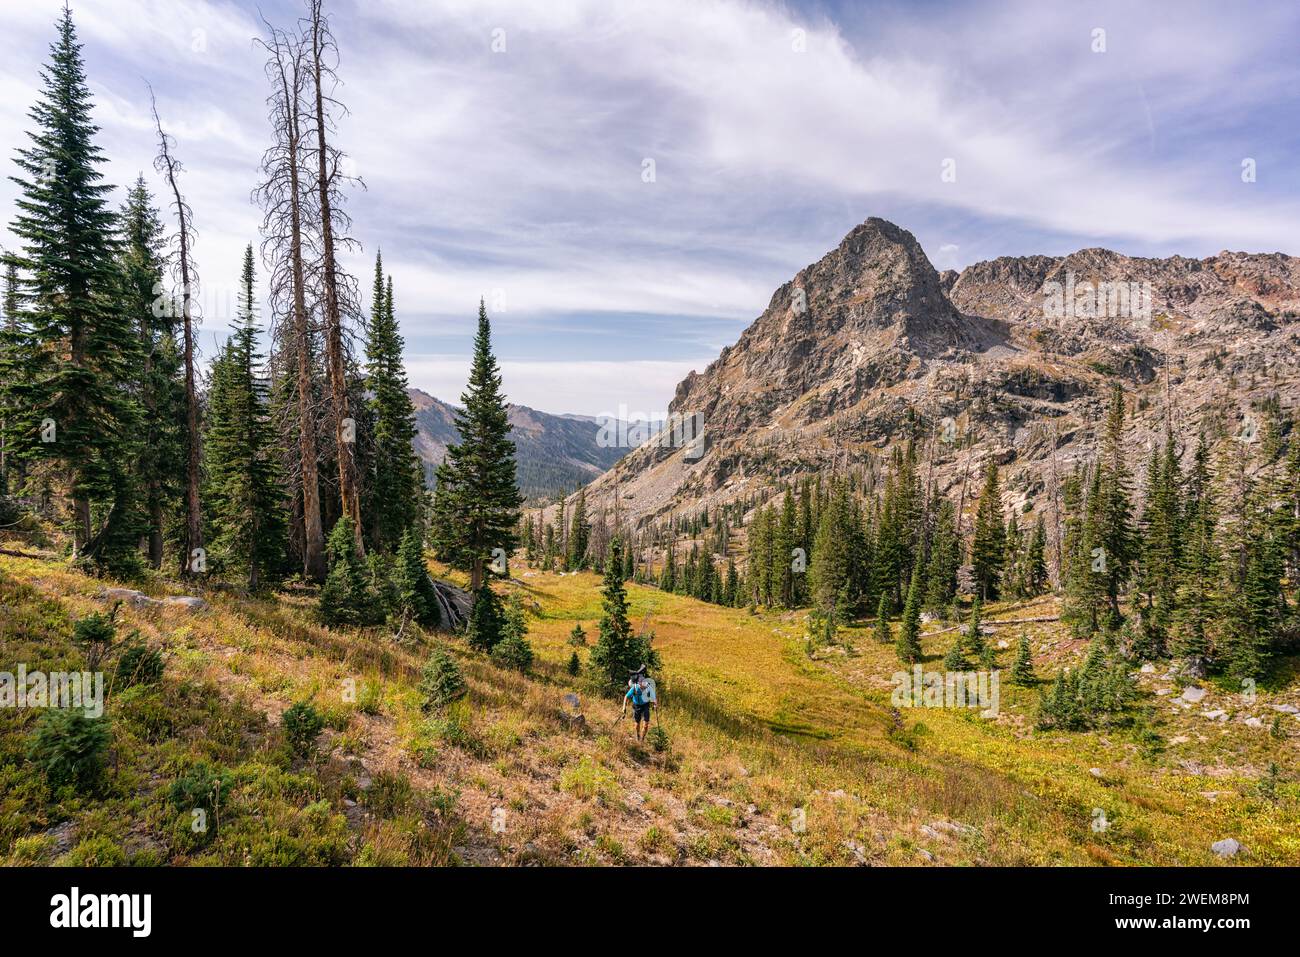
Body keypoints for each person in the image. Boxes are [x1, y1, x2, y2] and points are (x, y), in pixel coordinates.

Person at [621, 665, 655, 742]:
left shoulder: (648, 687)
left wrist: (655, 704)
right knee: (637, 725)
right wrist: (624, 707)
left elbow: (653, 697)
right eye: (641, 683)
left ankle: (642, 740)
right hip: (636, 706)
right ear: (638, 683)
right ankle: (638, 736)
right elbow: (626, 696)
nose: (643, 684)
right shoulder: (634, 688)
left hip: (645, 705)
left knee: (646, 725)